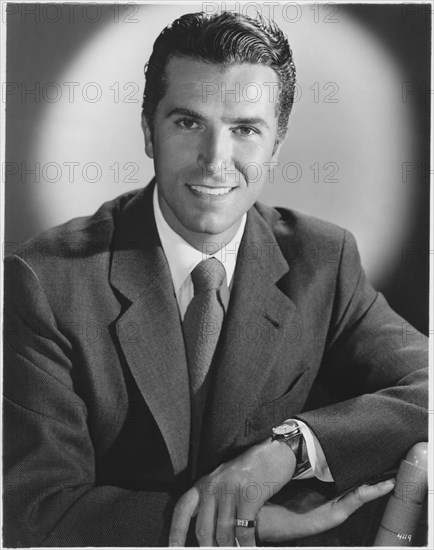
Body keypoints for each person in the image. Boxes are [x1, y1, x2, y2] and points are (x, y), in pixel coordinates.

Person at [3, 11, 427, 548]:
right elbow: (33, 512)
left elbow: (426, 386)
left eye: (245, 129)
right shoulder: (43, 281)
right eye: (188, 123)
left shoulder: (324, 259)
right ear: (148, 130)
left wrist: (288, 451)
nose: (215, 160)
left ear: (276, 145)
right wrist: (234, 524)